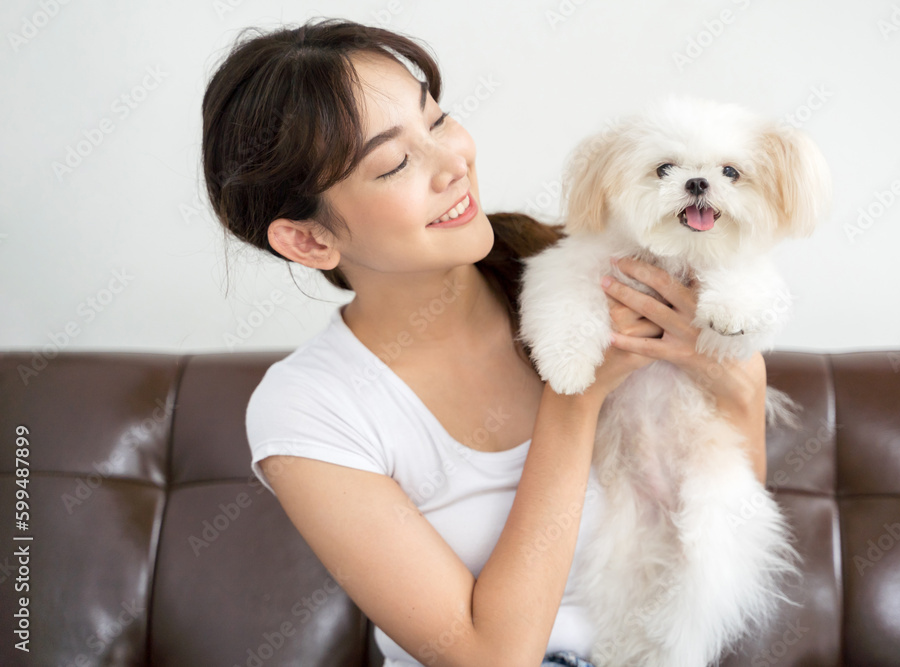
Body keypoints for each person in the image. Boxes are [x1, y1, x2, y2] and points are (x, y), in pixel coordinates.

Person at [201, 17, 767, 667]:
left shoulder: (576, 272)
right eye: (394, 163)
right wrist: (577, 395)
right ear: (308, 239)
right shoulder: (311, 406)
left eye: (437, 120)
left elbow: (723, 499)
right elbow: (490, 657)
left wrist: (739, 375)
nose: (454, 162)